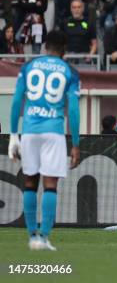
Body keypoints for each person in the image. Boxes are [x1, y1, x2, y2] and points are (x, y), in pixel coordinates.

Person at [8, 31, 81, 251]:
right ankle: (44, 237)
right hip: (53, 132)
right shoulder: (70, 71)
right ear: (64, 49)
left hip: (29, 131)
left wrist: (14, 135)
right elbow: (74, 110)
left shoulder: (29, 67)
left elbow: (16, 100)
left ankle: (32, 236)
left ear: (45, 46)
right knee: (50, 185)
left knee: (30, 182)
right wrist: (76, 143)